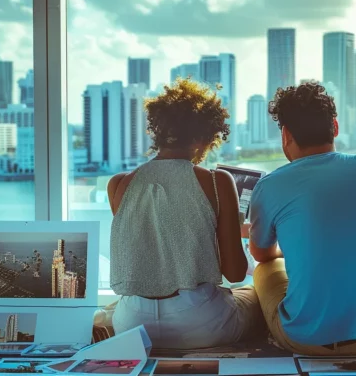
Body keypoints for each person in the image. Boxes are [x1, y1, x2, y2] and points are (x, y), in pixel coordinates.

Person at [247, 81, 356, 356]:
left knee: (264, 269)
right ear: (335, 127)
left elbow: (261, 254)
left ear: (285, 135)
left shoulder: (271, 186)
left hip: (307, 341)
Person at [101, 78, 263, 349]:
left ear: (158, 131)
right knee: (256, 296)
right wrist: (232, 228)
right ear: (204, 136)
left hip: (132, 325)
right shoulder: (217, 181)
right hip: (200, 323)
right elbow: (235, 273)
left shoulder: (118, 184)